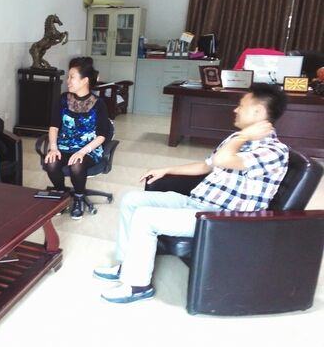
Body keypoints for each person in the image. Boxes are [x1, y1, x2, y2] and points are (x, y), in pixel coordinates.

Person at [93, 83, 289, 303]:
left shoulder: (273, 151)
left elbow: (222, 159)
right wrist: (166, 170)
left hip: (221, 219)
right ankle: (126, 265)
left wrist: (242, 137)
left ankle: (137, 286)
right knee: (132, 199)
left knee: (145, 217)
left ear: (258, 112)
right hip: (196, 203)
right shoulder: (235, 140)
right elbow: (206, 165)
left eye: (241, 106)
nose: (236, 110)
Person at [44, 57, 111, 220]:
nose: (68, 81)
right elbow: (54, 126)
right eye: (68, 77)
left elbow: (102, 135)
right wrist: (53, 147)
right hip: (64, 146)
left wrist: (82, 151)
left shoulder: (98, 104)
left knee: (77, 164)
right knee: (51, 162)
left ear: (84, 80)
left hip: (89, 149)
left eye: (72, 77)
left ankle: (79, 198)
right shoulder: (63, 99)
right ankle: (61, 195)